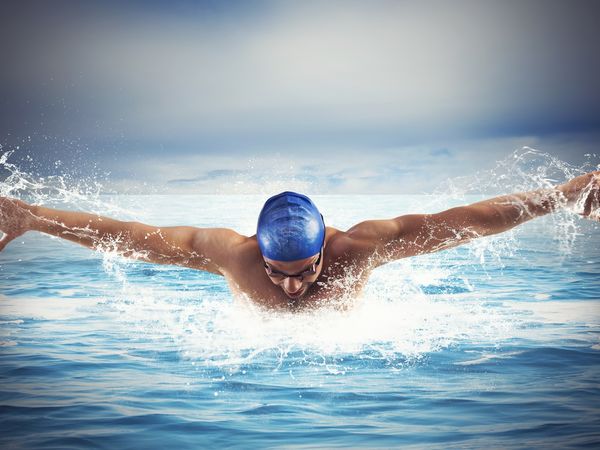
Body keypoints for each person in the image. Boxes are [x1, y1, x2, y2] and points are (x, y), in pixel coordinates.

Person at [0, 171, 598, 310]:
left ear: (323, 251)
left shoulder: (361, 247)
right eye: (277, 271)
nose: (291, 286)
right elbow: (129, 237)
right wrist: (29, 216)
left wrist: (560, 198)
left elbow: (466, 219)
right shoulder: (229, 255)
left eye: (305, 272)